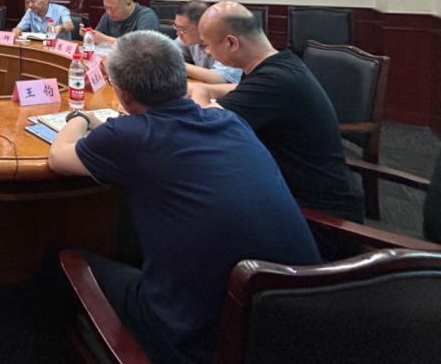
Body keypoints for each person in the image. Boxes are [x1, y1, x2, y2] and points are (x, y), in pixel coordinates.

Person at [48, 31, 320, 364]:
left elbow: (58, 157)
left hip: (203, 341)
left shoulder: (128, 135)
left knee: (59, 258)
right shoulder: (230, 121)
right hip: (299, 320)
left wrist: (79, 118)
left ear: (122, 94)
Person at [190, 2, 364, 225]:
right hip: (287, 190)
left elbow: (206, 124)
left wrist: (199, 92)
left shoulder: (275, 80)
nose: (207, 52)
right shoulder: (280, 63)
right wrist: (206, 89)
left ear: (232, 43)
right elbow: (241, 90)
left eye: (207, 46)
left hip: (317, 216)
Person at [173, 0, 242, 84]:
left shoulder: (228, 42)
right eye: (176, 27)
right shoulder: (190, 38)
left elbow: (221, 79)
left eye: (182, 28)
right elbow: (168, 54)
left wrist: (179, 66)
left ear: (203, 26)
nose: (178, 33)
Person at [89, 0, 160, 44]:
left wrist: (105, 39)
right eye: (106, 8)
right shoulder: (108, 15)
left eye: (115, 9)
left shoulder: (146, 16)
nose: (109, 12)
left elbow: (141, 46)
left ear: (129, 4)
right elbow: (96, 38)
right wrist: (89, 35)